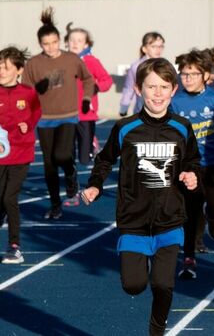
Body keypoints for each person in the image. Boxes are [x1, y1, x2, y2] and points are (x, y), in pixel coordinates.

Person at [82, 57, 200, 336]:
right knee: (133, 285)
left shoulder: (182, 127)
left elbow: (193, 161)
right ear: (138, 89)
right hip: (133, 219)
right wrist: (96, 185)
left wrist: (191, 174)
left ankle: (157, 329)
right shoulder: (125, 128)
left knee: (163, 283)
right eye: (151, 87)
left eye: (163, 87)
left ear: (173, 90)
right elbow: (104, 159)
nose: (157, 93)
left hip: (170, 219)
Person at [171, 49, 214, 279]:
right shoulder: (176, 102)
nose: (188, 78)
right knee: (189, 212)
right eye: (184, 74)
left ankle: (213, 217)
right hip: (189, 166)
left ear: (205, 75)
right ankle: (189, 257)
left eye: (193, 74)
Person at [24, 8, 95, 218]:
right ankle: (55, 205)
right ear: (40, 44)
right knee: (49, 164)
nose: (51, 47)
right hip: (44, 118)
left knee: (62, 155)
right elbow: (26, 92)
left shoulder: (71, 59)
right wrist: (39, 88)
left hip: (68, 115)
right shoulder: (34, 63)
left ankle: (71, 173)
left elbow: (88, 79)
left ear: (59, 41)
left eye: (54, 42)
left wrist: (86, 99)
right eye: (46, 44)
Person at [0, 46, 41, 265]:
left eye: (6, 67)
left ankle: (14, 247)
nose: (1, 71)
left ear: (18, 70)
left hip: (21, 153)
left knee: (9, 197)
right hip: (0, 155)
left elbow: (36, 111)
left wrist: (29, 124)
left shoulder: (27, 92)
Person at [66, 23, 113, 165]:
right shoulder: (62, 61)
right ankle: (72, 184)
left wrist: (96, 87)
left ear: (86, 44)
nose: (75, 43)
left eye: (79, 41)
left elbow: (107, 80)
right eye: (72, 40)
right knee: (67, 154)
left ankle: (92, 144)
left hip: (86, 113)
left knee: (84, 157)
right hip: (66, 114)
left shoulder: (91, 61)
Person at [120, 32, 166, 116]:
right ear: (144, 49)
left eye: (161, 46)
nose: (158, 50)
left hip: (162, 111)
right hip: (141, 111)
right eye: (154, 46)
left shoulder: (166, 66)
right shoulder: (136, 67)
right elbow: (129, 88)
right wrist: (124, 107)